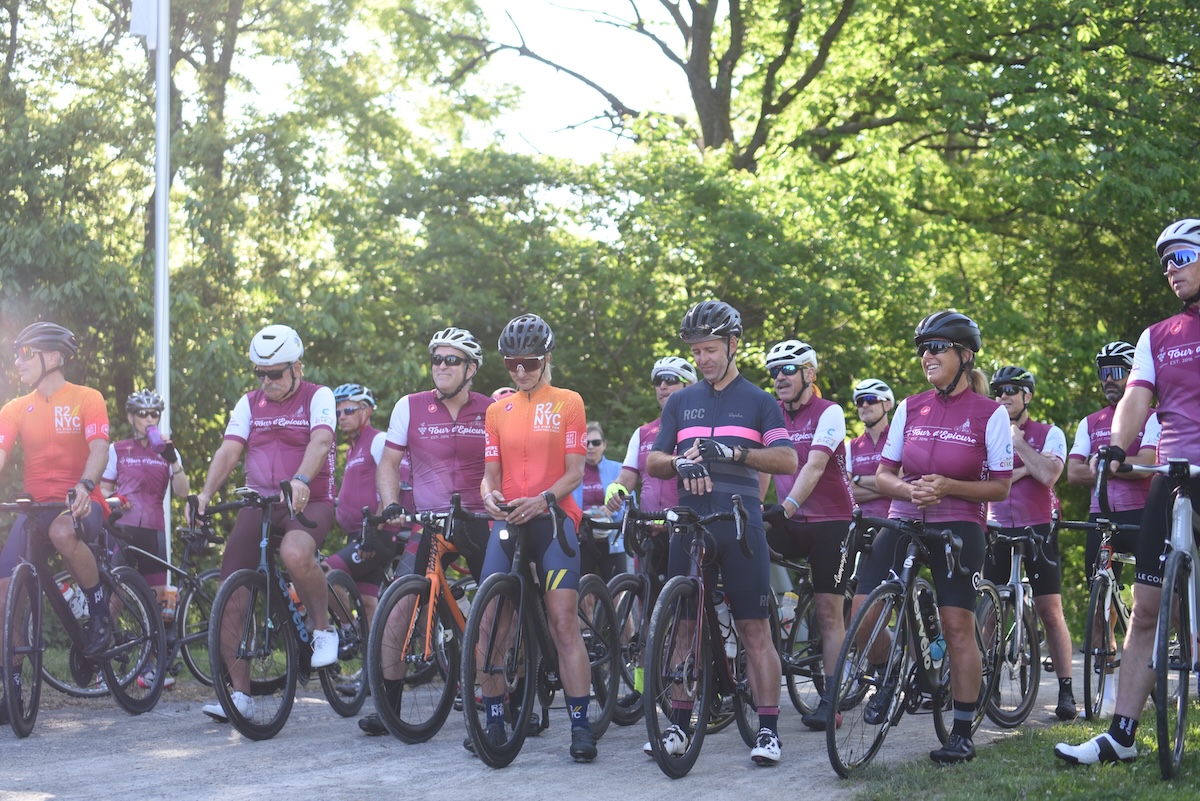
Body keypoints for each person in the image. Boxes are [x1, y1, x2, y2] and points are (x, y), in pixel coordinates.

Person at [1055, 219, 1200, 766]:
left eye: (1181, 257)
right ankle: (1120, 735)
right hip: (1174, 475)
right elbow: (1135, 399)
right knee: (1145, 609)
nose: (1170, 269)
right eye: (1164, 261)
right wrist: (1116, 446)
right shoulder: (1157, 336)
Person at [853, 310, 1012, 764]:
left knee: (957, 627)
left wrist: (947, 487)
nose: (927, 355)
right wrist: (908, 489)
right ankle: (890, 674)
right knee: (861, 616)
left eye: (936, 347)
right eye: (923, 348)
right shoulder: (910, 406)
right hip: (904, 517)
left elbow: (1000, 486)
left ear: (964, 355)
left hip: (959, 523)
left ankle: (961, 731)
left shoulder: (990, 413)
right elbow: (883, 475)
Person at [645, 300, 799, 766]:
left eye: (710, 349)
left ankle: (769, 730)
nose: (702, 359)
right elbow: (653, 460)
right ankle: (677, 722)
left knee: (754, 629)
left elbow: (787, 460)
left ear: (733, 346)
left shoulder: (759, 401)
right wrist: (679, 461)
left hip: (738, 525)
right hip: (690, 525)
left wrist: (734, 453)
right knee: (682, 627)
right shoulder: (682, 401)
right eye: (695, 352)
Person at [195, 324, 339, 721]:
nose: (266, 380)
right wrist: (206, 494)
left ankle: (324, 628)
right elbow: (229, 450)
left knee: (295, 552)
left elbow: (321, 441)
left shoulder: (318, 396)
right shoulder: (249, 403)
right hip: (260, 504)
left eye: (275, 373)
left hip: (309, 499)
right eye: (260, 372)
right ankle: (240, 695)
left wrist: (301, 480)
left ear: (297, 367)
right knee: (231, 597)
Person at [359, 326, 494, 738]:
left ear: (471, 368)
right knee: (398, 605)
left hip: (480, 519)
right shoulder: (411, 406)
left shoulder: (491, 410)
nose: (441, 366)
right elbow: (388, 463)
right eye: (436, 359)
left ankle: (504, 703)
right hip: (430, 521)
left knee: (497, 609)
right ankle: (390, 705)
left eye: (451, 359)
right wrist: (392, 502)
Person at [476, 313, 598, 762]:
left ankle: (581, 725)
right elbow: (489, 477)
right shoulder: (496, 410)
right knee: (489, 623)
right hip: (508, 521)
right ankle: (493, 716)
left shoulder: (568, 402)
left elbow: (575, 472)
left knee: (563, 622)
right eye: (511, 364)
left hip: (553, 518)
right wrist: (488, 497)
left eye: (528, 361)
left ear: (546, 357)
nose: (521, 371)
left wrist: (544, 499)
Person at [0, 323, 113, 721]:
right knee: (2, 594)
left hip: (81, 502)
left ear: (52, 357)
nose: (17, 362)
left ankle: (100, 615)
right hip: (36, 507)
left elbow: (99, 448)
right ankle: (11, 688)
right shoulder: (13, 408)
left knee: (62, 531)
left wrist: (85, 484)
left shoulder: (87, 398)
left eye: (25, 354)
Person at [758, 339, 854, 732]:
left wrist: (787, 508)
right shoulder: (771, 414)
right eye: (774, 371)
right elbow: (762, 467)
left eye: (787, 369)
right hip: (791, 520)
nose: (779, 377)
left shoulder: (829, 412)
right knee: (738, 553)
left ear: (809, 374)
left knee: (830, 612)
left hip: (832, 522)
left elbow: (814, 467)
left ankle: (830, 701)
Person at [1064, 342, 1159, 716]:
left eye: (1116, 370)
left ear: (1132, 374)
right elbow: (1072, 472)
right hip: (1099, 516)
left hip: (1142, 515)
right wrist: (1120, 464)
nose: (1109, 379)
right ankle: (1106, 681)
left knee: (1149, 593)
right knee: (1099, 600)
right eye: (1103, 371)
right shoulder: (1090, 422)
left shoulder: (1151, 416)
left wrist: (1104, 464)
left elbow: (1150, 462)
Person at [983, 365, 1075, 719]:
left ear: (1028, 396)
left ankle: (1066, 691)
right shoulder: (988, 432)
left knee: (1050, 611)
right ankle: (982, 683)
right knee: (989, 610)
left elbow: (1050, 474)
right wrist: (1024, 469)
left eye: (1011, 389)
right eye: (999, 390)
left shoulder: (1050, 433)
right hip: (996, 528)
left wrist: (1018, 443)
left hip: (1039, 527)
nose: (1004, 395)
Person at [100, 388, 191, 689]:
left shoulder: (165, 450)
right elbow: (102, 490)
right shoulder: (118, 449)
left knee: (157, 601)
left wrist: (174, 460)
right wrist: (114, 501)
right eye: (143, 413)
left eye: (154, 414)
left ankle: (150, 667)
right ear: (130, 417)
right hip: (123, 528)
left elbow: (182, 492)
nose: (149, 418)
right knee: (115, 597)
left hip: (154, 529)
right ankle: (105, 663)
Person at [323, 384, 400, 635]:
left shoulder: (377, 439)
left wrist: (373, 527)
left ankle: (348, 629)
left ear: (365, 410)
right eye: (337, 413)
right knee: (367, 603)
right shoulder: (352, 449)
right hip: (361, 534)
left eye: (347, 410)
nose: (341, 417)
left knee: (324, 574)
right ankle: (373, 665)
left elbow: (392, 480)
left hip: (376, 533)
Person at [574, 421, 626, 581]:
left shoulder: (619, 469)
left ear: (604, 444)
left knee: (618, 591)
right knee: (583, 592)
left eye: (595, 442)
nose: (590, 446)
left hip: (612, 539)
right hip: (582, 539)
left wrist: (614, 509)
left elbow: (631, 505)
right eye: (586, 442)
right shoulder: (573, 471)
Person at [848, 378, 896, 520]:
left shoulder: (900, 440)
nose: (865, 405)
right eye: (860, 401)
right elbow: (846, 493)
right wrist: (891, 487)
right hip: (861, 526)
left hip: (895, 524)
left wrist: (857, 480)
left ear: (887, 405)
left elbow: (906, 483)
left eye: (871, 399)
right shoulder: (849, 446)